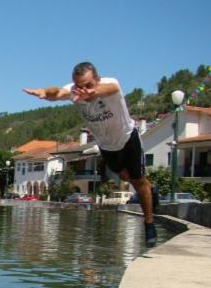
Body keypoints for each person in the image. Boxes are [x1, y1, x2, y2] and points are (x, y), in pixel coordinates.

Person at [23, 62, 157, 247]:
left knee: (138, 181)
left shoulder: (111, 85)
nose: (83, 90)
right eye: (79, 86)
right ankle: (151, 190)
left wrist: (93, 93)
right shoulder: (74, 92)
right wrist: (46, 93)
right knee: (125, 176)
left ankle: (149, 224)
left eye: (88, 85)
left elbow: (112, 88)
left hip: (128, 138)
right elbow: (58, 93)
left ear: (97, 79)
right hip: (106, 146)